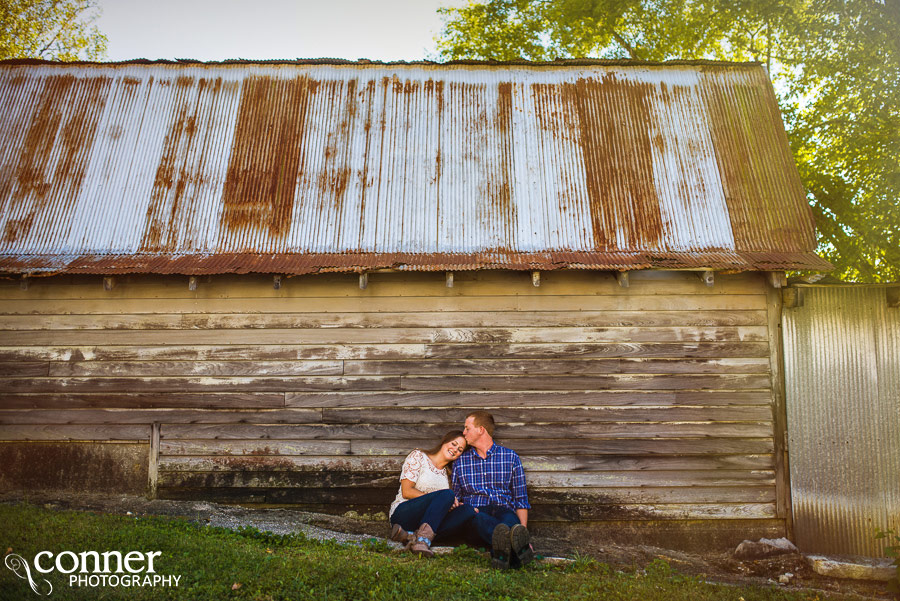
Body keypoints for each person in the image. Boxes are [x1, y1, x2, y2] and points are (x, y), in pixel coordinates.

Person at [452, 411, 534, 569]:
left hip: (504, 511)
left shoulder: (510, 457)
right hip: (477, 514)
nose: (463, 433)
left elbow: (521, 499)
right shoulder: (460, 462)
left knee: (510, 524)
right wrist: (467, 509)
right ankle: (518, 553)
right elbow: (456, 498)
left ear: (481, 430)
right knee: (481, 520)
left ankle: (503, 555)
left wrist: (522, 531)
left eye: (467, 428)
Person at [388, 430, 477, 557]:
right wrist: (440, 498)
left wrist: (452, 506)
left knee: (467, 510)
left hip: (427, 522)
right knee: (447, 495)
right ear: (445, 441)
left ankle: (409, 536)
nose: (455, 449)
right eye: (454, 444)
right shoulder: (418, 456)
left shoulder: (449, 476)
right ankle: (423, 541)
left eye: (460, 449)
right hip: (404, 514)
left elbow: (440, 507)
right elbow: (406, 491)